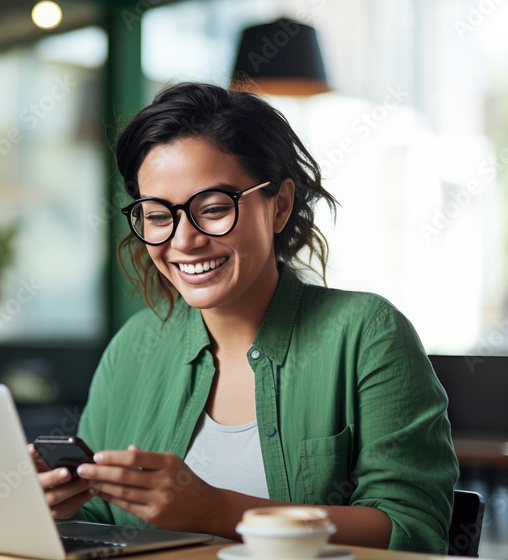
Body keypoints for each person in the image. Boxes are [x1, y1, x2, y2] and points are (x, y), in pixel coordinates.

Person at [27, 82, 459, 554]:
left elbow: (411, 530)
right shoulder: (134, 345)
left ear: (279, 205)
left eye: (212, 209)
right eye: (157, 215)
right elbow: (103, 518)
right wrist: (58, 501)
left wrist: (217, 511)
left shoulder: (366, 334)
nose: (184, 240)